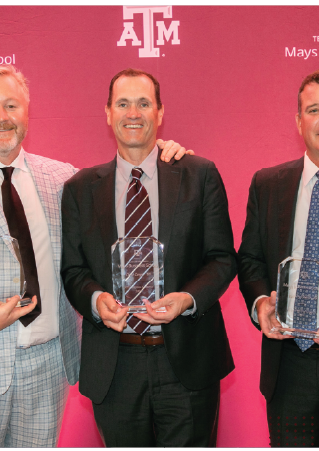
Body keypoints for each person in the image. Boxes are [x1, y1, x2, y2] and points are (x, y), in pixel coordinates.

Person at [0, 65, 192, 448]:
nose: (2, 118)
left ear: (27, 112)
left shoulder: (62, 179)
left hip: (48, 368)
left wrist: (164, 153)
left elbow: (128, 178)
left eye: (12, 105)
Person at [60, 68, 236, 447]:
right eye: (123, 103)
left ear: (159, 112)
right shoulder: (79, 189)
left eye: (144, 103)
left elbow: (222, 258)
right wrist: (96, 300)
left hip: (186, 360)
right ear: (108, 113)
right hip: (115, 364)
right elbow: (73, 269)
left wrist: (187, 299)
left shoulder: (199, 174)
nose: (133, 113)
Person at [237, 68, 319, 447]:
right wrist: (261, 302)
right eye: (313, 110)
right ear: (298, 121)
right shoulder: (267, 183)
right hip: (287, 363)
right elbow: (250, 260)